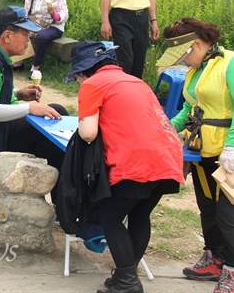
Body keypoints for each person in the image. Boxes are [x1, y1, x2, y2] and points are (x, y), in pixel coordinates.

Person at [68, 41, 184, 293]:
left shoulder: (92, 84)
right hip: (168, 156)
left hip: (138, 161)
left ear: (82, 71)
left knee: (109, 216)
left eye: (76, 76)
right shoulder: (136, 81)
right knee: (140, 214)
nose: (78, 81)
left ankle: (128, 281)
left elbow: (88, 133)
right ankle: (125, 275)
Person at [156, 18, 234, 293]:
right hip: (201, 151)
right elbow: (190, 110)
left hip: (232, 154)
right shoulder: (197, 71)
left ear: (196, 44)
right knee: (208, 209)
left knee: (230, 216)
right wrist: (166, 129)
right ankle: (215, 258)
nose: (182, 61)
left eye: (183, 55)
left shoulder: (233, 63)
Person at [0, 5, 68, 203]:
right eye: (25, 33)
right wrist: (29, 108)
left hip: (4, 127)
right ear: (6, 35)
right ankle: (65, 204)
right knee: (57, 113)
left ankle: (64, 203)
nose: (29, 39)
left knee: (57, 140)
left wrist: (19, 94)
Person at [21, 0, 69, 76]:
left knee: (42, 37)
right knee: (18, 31)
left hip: (54, 26)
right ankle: (18, 62)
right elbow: (26, 12)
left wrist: (54, 14)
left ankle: (35, 67)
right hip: (34, 23)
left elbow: (65, 15)